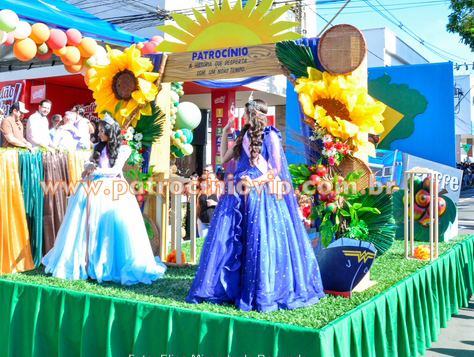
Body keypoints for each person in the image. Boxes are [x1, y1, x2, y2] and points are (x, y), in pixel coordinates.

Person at [187, 98, 324, 312]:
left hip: (262, 196)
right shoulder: (242, 136)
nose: (242, 116)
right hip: (237, 195)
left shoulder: (270, 135)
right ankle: (228, 287)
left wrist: (255, 182)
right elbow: (224, 159)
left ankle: (261, 289)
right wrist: (225, 133)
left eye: (245, 112)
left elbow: (276, 169)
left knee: (259, 238)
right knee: (231, 240)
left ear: (254, 113)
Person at [42, 113, 166, 284]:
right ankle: (87, 261)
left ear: (110, 131)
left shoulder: (123, 149)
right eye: (98, 131)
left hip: (113, 189)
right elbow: (87, 162)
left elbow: (115, 170)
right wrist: (89, 166)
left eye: (102, 131)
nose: (99, 134)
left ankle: (108, 262)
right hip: (92, 187)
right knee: (88, 225)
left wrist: (96, 171)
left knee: (110, 226)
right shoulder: (97, 147)